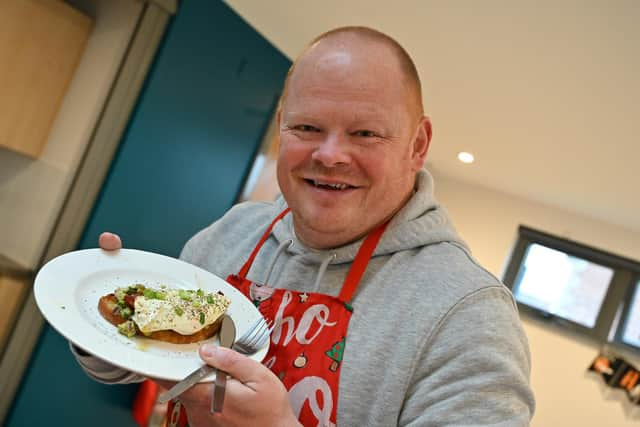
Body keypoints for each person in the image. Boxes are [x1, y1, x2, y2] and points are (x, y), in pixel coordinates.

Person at [74, 26, 535, 426]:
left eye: (365, 133)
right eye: (308, 127)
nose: (330, 155)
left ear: (417, 146)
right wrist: (104, 320)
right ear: (281, 128)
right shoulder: (233, 233)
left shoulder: (468, 315)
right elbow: (142, 363)